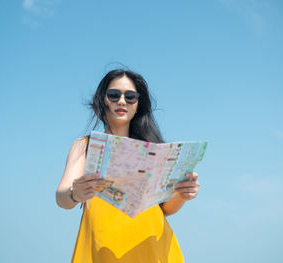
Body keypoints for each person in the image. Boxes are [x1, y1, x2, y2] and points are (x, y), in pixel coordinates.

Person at [56, 69, 200, 263]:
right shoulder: (85, 145)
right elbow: (62, 197)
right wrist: (75, 193)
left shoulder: (154, 150)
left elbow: (165, 209)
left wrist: (182, 195)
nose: (122, 101)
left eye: (130, 97)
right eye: (114, 95)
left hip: (153, 248)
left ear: (138, 104)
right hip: (102, 248)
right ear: (102, 99)